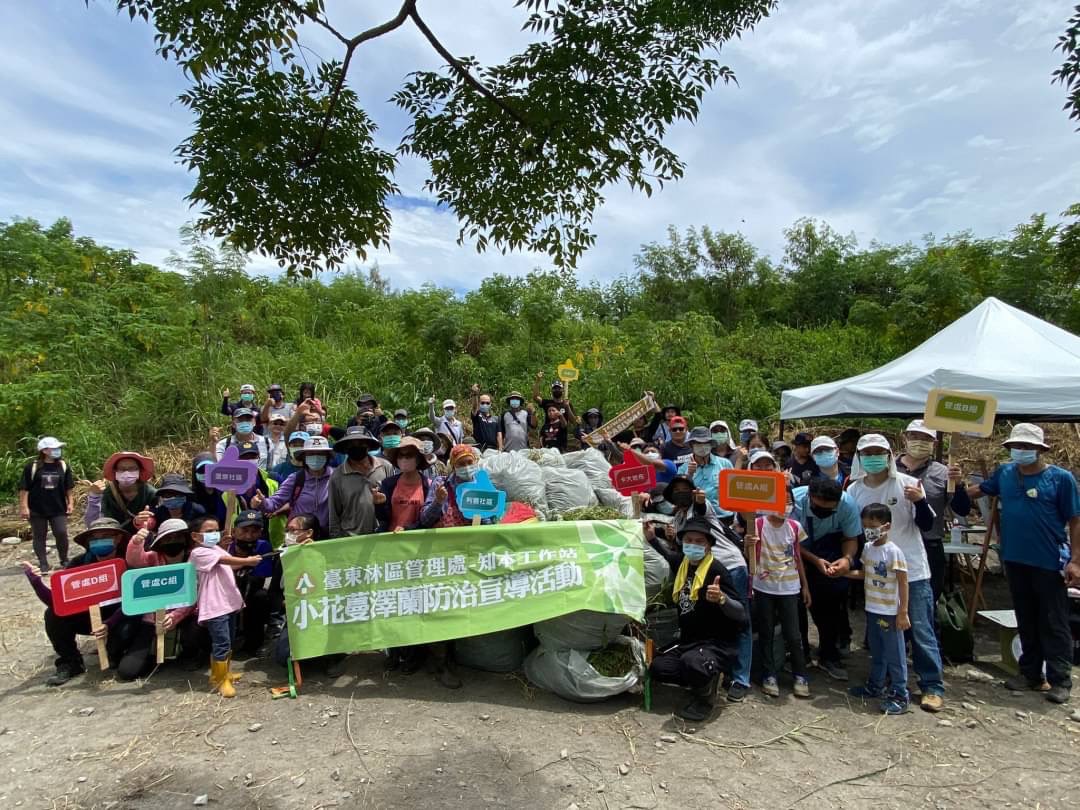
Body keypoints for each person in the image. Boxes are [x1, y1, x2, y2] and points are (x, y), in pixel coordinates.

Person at [968, 424, 1080, 705]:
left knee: (1053, 620)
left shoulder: (1061, 479)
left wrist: (1076, 561)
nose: (1021, 451)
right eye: (1017, 446)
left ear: (1040, 450)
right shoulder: (1005, 473)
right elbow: (979, 491)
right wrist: (952, 483)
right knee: (1025, 617)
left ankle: (1060, 679)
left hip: (1049, 560)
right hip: (1014, 559)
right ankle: (1030, 673)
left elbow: (1075, 520)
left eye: (1027, 447)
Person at [847, 434, 943, 713]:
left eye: (878, 452)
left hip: (911, 571)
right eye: (867, 453)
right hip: (878, 575)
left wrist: (921, 501)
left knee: (921, 629)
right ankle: (882, 682)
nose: (873, 457)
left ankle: (932, 686)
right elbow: (854, 531)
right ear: (859, 458)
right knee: (882, 633)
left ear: (889, 455)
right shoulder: (854, 490)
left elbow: (927, 525)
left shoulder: (907, 484)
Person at [647, 517, 748, 721]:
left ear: (709, 545)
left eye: (699, 541)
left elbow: (741, 613)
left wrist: (721, 598)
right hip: (689, 641)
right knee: (658, 668)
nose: (693, 545)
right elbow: (668, 555)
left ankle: (705, 697)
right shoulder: (683, 564)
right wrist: (651, 538)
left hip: (716, 644)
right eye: (689, 540)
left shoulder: (716, 571)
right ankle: (702, 680)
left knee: (693, 662)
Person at [26, 518, 129, 685]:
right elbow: (59, 604)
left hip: (120, 617)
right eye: (94, 538)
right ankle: (71, 662)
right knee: (52, 614)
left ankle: (116, 651)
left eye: (105, 536)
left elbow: (134, 602)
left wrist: (109, 624)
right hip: (88, 617)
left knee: (122, 650)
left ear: (118, 538)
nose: (99, 541)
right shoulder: (79, 563)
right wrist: (37, 583)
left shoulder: (128, 561)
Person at [895, 419, 971, 606]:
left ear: (934, 444)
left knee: (926, 603)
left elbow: (962, 509)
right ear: (905, 438)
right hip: (894, 545)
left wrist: (958, 485)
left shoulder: (944, 473)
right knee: (891, 603)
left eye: (925, 438)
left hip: (929, 545)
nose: (919, 441)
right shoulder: (888, 469)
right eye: (914, 436)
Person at [792, 477, 861, 681]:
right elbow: (787, 539)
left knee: (831, 603)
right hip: (795, 551)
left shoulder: (847, 505)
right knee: (796, 604)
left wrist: (847, 559)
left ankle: (829, 654)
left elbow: (850, 538)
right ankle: (801, 655)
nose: (823, 511)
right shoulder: (794, 501)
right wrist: (814, 561)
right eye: (819, 507)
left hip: (829, 547)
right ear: (809, 497)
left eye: (829, 509)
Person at [748, 485, 811, 699]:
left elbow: (797, 557)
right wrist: (747, 544)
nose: (785, 506)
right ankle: (769, 675)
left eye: (789, 501)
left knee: (794, 634)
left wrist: (805, 586)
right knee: (766, 632)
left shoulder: (794, 526)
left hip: (790, 587)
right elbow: (750, 557)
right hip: (764, 587)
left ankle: (800, 675)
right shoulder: (758, 525)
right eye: (780, 501)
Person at [847, 503, 911, 715]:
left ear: (886, 526)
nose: (869, 530)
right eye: (865, 526)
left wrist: (903, 612)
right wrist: (842, 573)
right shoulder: (867, 548)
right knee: (876, 650)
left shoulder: (894, 552)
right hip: (872, 609)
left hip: (890, 612)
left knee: (894, 653)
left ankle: (900, 694)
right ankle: (876, 685)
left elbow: (903, 582)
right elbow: (865, 573)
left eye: (873, 526)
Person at [189, 515, 262, 697]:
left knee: (228, 640)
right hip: (214, 605)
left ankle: (224, 673)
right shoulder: (198, 552)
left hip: (228, 602)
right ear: (195, 536)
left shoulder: (215, 549)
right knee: (221, 642)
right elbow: (225, 561)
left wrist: (245, 560)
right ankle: (219, 679)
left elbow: (232, 565)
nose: (214, 534)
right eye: (209, 531)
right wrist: (247, 561)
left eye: (216, 530)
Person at [126, 517, 203, 669]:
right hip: (153, 619)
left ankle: (192, 655)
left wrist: (174, 617)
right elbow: (134, 561)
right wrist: (136, 542)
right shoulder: (152, 557)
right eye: (168, 538)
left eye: (178, 537)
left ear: (185, 539)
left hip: (187, 616)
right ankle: (151, 656)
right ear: (160, 542)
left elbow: (195, 594)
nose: (173, 541)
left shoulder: (195, 559)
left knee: (195, 630)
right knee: (128, 670)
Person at [254, 436, 335, 535]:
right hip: (298, 535)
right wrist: (262, 502)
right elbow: (274, 503)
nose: (316, 457)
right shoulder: (296, 479)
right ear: (304, 457)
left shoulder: (335, 477)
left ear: (327, 456)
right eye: (311, 454)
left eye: (320, 454)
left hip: (327, 535)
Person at [19, 436, 74, 571]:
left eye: (58, 448)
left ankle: (64, 559)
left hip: (58, 506)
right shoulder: (32, 467)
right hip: (37, 508)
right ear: (44, 451)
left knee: (61, 532)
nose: (58, 450)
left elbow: (69, 487)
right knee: (39, 535)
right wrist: (24, 507)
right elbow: (24, 489)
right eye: (54, 448)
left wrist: (70, 503)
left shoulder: (63, 465)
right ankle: (43, 563)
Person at [228, 510, 275, 657]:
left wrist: (236, 565)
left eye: (254, 531)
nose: (249, 536)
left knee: (260, 597)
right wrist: (246, 562)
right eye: (244, 530)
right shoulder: (225, 548)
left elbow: (260, 577)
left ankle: (254, 642)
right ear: (234, 531)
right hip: (226, 592)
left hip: (250, 592)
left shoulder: (263, 546)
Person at [327, 427, 387, 538]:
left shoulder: (385, 466)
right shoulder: (337, 476)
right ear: (345, 447)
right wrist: (336, 539)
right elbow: (334, 514)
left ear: (368, 445)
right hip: (351, 538)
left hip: (382, 535)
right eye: (351, 444)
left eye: (361, 443)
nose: (356, 447)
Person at [420, 444, 495, 529]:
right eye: (461, 464)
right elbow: (425, 521)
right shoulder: (441, 484)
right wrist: (438, 501)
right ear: (454, 467)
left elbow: (489, 523)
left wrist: (482, 512)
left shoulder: (482, 485)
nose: (466, 467)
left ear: (475, 462)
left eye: (470, 462)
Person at [85, 451, 157, 533]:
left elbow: (156, 522)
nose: (126, 473)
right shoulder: (107, 493)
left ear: (139, 471)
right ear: (115, 472)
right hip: (113, 536)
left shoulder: (150, 493)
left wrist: (142, 522)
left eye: (132, 469)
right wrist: (94, 496)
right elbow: (92, 524)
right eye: (122, 469)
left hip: (142, 536)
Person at [378, 437, 432, 532]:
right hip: (391, 537)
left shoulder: (428, 485)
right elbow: (383, 517)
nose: (404, 459)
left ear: (418, 459)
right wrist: (379, 504)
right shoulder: (388, 484)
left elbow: (427, 519)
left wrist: (407, 529)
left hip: (417, 538)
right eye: (401, 455)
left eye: (409, 455)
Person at [677, 427, 733, 518]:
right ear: (691, 445)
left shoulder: (725, 464)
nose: (702, 446)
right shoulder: (683, 469)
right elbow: (681, 497)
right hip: (697, 519)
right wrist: (689, 475)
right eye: (698, 443)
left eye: (706, 443)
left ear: (711, 444)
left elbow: (734, 493)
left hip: (724, 517)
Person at [469, 385, 500, 452]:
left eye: (487, 403)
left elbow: (499, 435)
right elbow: (474, 407)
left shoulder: (496, 419)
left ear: (490, 404)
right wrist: (475, 394)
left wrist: (500, 449)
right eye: (482, 403)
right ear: (479, 403)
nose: (485, 405)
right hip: (479, 450)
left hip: (493, 450)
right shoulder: (477, 416)